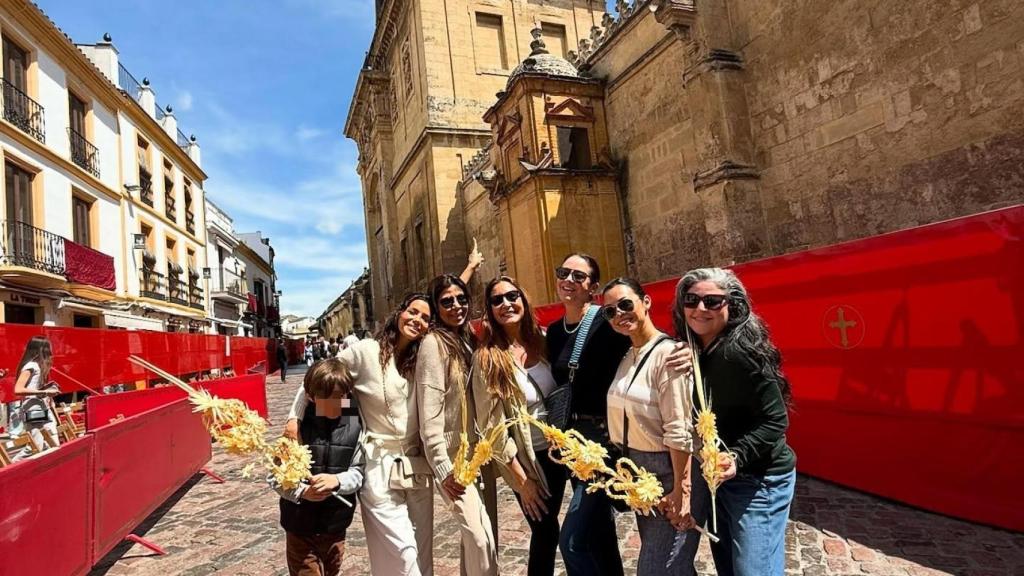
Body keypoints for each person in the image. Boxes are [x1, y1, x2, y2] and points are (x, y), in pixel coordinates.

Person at [548, 254, 692, 576]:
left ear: (592, 287)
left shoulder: (607, 324)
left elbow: (653, 340)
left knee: (574, 541)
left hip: (617, 452)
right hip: (588, 451)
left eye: (579, 276)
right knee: (604, 535)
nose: (569, 280)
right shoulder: (558, 333)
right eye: (563, 272)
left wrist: (688, 351)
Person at [285, 294, 435, 576]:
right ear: (400, 312)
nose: (417, 320)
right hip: (377, 464)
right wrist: (295, 416)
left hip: (416, 466)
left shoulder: (423, 359)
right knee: (405, 553)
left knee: (420, 547)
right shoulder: (367, 350)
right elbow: (321, 376)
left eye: (426, 318)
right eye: (412, 311)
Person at [673, 268, 796, 576]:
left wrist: (738, 455)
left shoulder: (742, 352)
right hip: (718, 480)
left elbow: (776, 419)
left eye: (712, 301)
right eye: (692, 300)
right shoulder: (694, 349)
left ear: (733, 305)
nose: (700, 309)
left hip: (758, 480)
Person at [472, 276, 565, 576]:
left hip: (560, 454)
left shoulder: (546, 339)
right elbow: (492, 430)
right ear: (489, 310)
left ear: (524, 300)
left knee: (552, 530)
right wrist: (522, 482)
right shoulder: (488, 358)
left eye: (512, 296)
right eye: (496, 300)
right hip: (526, 459)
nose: (506, 304)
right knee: (546, 530)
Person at [602, 278, 695, 575]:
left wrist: (683, 490)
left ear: (646, 302)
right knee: (672, 562)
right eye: (610, 311)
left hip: (666, 471)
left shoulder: (669, 356)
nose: (619, 313)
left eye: (626, 304)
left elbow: (679, 427)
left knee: (655, 568)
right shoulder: (627, 355)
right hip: (637, 472)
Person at [416, 274, 498, 575]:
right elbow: (430, 411)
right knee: (479, 539)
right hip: (452, 460)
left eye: (461, 299)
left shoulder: (467, 339)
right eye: (446, 301)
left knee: (479, 538)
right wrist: (441, 466)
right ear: (436, 308)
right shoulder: (432, 344)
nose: (456, 306)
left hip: (478, 455)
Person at [272, 358, 365, 576]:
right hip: (298, 525)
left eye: (340, 397)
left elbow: (360, 471)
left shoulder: (356, 424)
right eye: (326, 399)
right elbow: (274, 476)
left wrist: (338, 481)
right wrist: (301, 492)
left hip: (336, 524)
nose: (334, 404)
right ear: (310, 397)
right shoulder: (295, 429)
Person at [11, 336, 61, 454]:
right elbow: (18, 389)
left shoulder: (36, 366)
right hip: (33, 409)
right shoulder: (31, 366)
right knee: (36, 447)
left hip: (42, 407)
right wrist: (45, 392)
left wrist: (46, 389)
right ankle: (11, 469)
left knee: (53, 444)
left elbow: (31, 389)